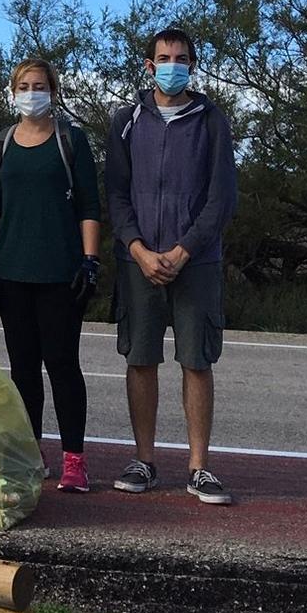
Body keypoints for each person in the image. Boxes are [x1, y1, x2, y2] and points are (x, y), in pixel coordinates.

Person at [104, 27, 239, 506]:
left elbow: (222, 198)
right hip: (136, 261)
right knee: (140, 360)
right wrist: (138, 249)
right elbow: (116, 195)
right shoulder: (125, 120)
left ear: (192, 65)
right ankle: (144, 460)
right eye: (164, 57)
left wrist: (183, 251)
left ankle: (199, 466)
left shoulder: (212, 122)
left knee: (196, 361)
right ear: (148, 65)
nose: (172, 64)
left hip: (196, 263)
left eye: (181, 57)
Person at [0, 59, 103, 493]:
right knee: (23, 369)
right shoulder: (1, 143)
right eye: (25, 86)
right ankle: (31, 452)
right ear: (13, 92)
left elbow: (88, 204)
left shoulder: (71, 141)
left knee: (63, 365)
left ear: (54, 90)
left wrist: (90, 259)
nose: (33, 92)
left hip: (61, 272)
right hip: (12, 271)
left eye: (41, 85)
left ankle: (75, 460)